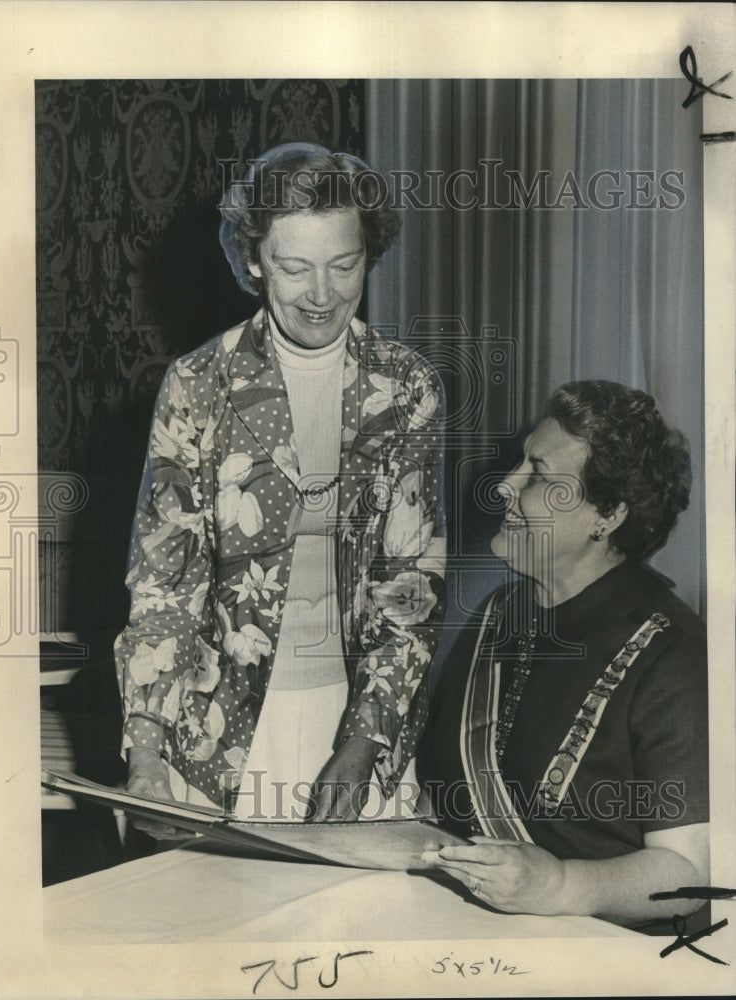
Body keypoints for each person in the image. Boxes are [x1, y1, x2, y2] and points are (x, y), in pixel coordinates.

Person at [114, 143, 446, 833]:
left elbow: (409, 583)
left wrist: (362, 743)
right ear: (255, 259)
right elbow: (164, 586)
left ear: (368, 255)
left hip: (358, 720)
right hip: (213, 727)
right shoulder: (197, 385)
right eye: (295, 268)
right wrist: (146, 752)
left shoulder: (406, 386)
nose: (321, 294)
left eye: (343, 265)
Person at [418, 380, 708, 933]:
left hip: (603, 958)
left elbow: (690, 871)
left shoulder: (675, 654)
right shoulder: (498, 612)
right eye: (518, 464)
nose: (505, 487)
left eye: (540, 476)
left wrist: (560, 885)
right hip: (465, 930)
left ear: (609, 515)